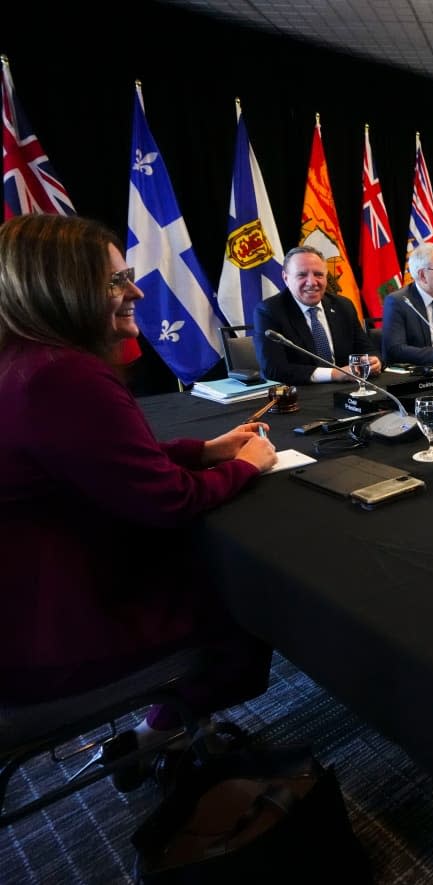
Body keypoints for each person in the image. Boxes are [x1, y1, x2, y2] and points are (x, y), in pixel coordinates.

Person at [0, 214, 277, 774]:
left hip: (23, 622)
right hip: (58, 641)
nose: (136, 290)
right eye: (113, 281)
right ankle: (160, 733)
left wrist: (203, 451)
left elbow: (89, 464)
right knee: (252, 596)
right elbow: (166, 502)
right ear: (62, 291)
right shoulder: (64, 375)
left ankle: (162, 731)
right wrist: (246, 465)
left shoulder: (24, 363)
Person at [254, 245, 381, 385]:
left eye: (318, 274)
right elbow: (273, 369)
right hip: (302, 394)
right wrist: (334, 374)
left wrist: (374, 361)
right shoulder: (269, 311)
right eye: (302, 275)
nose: (312, 282)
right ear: (285, 278)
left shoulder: (343, 306)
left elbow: (367, 349)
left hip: (348, 391)